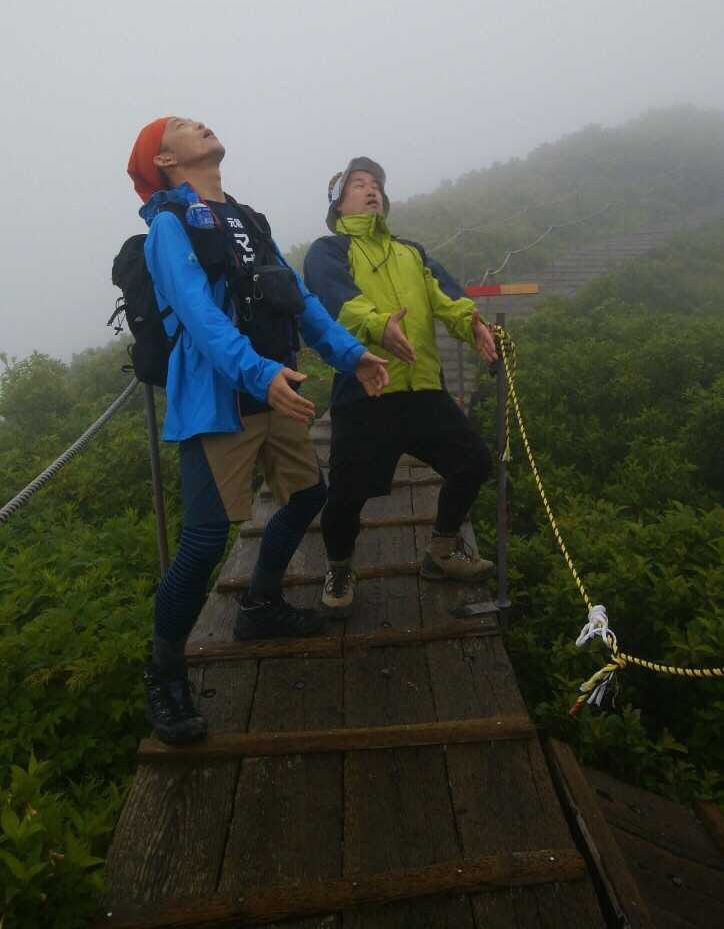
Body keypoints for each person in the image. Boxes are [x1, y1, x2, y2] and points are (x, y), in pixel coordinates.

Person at [126, 119, 388, 743]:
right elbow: (199, 317)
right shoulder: (169, 226)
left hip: (273, 387)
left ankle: (260, 604)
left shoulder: (245, 219)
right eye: (182, 127)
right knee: (203, 542)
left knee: (307, 495)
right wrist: (260, 373)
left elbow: (299, 300)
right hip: (222, 399)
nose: (200, 124)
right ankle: (164, 674)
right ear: (165, 160)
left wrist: (351, 353)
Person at [303, 157, 497, 618]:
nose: (371, 190)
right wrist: (377, 325)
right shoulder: (328, 251)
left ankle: (442, 551)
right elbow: (335, 300)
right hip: (365, 388)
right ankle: (339, 568)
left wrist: (473, 324)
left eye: (376, 184)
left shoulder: (412, 252)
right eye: (358, 184)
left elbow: (446, 296)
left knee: (473, 462)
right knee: (346, 495)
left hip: (424, 386)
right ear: (337, 203)